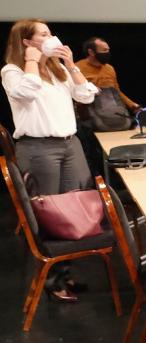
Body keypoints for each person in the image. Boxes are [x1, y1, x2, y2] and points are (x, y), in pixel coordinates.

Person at [2, 19, 99, 302]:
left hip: (70, 145)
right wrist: (32, 61)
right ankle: (51, 279)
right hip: (39, 148)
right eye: (43, 34)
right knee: (48, 214)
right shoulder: (12, 71)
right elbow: (26, 92)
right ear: (26, 41)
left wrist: (70, 64)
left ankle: (65, 273)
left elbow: (86, 96)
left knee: (75, 209)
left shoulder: (56, 70)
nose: (51, 37)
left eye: (50, 32)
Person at [76, 37, 140, 113]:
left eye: (108, 50)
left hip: (111, 112)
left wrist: (132, 105)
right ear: (91, 52)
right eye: (104, 50)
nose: (107, 53)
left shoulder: (109, 68)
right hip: (89, 114)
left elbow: (117, 92)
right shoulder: (77, 68)